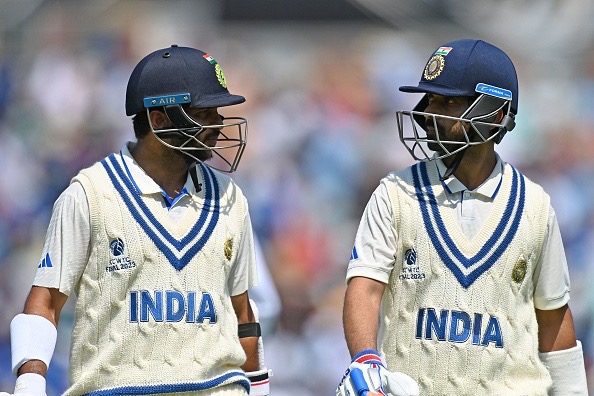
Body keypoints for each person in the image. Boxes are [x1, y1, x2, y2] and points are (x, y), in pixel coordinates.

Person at [1, 45, 270, 396]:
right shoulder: (91, 195)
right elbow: (46, 301)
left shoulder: (230, 197)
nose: (219, 123)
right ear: (158, 120)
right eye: (203, 113)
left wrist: (258, 386)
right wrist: (30, 383)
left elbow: (243, 314)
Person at [336, 39, 588, 395]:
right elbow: (365, 287)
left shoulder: (535, 207)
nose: (428, 113)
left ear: (495, 113)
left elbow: (553, 316)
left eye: (448, 102)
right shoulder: (395, 194)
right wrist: (365, 358)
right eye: (430, 100)